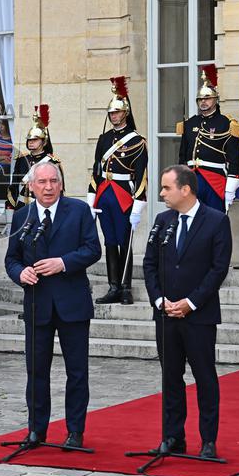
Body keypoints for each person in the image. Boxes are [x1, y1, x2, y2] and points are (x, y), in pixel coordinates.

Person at [4, 161, 101, 450]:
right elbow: (11, 259)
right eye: (42, 182)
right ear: (31, 186)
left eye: (53, 182)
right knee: (36, 371)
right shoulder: (23, 215)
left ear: (61, 184)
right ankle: (36, 430)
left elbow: (93, 249)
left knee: (77, 371)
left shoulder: (79, 210)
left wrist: (63, 263)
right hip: (37, 304)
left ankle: (75, 432)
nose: (48, 187)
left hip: (72, 303)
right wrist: (20, 273)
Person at [142, 165, 231, 460]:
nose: (162, 193)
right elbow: (150, 265)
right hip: (166, 314)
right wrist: (159, 301)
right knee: (170, 377)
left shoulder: (216, 221)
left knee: (204, 378)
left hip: (199, 316)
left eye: (167, 188)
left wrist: (191, 303)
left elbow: (218, 269)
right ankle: (172, 437)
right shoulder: (162, 220)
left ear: (186, 190)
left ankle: (208, 440)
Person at [89, 76, 147, 306]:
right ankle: (113, 286)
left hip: (124, 194)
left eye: (117, 112)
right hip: (105, 194)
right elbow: (96, 170)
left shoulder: (138, 141)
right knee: (110, 241)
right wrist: (91, 200)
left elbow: (142, 175)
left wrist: (138, 204)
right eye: (111, 113)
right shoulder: (104, 139)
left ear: (126, 113)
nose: (113, 116)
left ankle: (125, 287)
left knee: (125, 240)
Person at [176, 65, 239, 213]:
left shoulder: (227, 123)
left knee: (214, 222)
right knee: (191, 221)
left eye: (207, 98)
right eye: (200, 99)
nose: (203, 102)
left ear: (216, 99)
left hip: (215, 182)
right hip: (191, 180)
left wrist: (230, 189)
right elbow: (183, 156)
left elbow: (235, 158)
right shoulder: (190, 123)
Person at [7, 106, 64, 213]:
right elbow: (13, 187)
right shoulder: (22, 159)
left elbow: (58, 190)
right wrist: (10, 210)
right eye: (29, 140)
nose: (31, 142)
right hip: (21, 207)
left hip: (43, 208)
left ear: (44, 142)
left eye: (35, 139)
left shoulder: (52, 162)